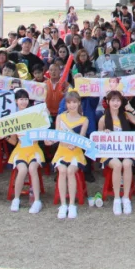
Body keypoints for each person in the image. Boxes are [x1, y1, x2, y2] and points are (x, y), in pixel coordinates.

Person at [98, 89, 135, 215]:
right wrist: (103, 133)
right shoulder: (103, 119)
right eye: (113, 100)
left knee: (127, 164)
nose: (115, 103)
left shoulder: (125, 115)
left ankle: (126, 198)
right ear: (108, 102)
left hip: (126, 150)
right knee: (118, 165)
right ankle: (116, 199)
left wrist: (132, 109)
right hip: (109, 152)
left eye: (118, 100)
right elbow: (97, 140)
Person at [6, 90, 47, 214]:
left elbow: (41, 135)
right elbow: (13, 141)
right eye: (21, 99)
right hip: (20, 149)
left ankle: (37, 200)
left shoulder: (35, 115)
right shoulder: (13, 118)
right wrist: (4, 136)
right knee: (22, 169)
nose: (23, 102)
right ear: (16, 101)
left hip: (34, 148)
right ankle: (16, 198)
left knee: (32, 168)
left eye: (25, 99)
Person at [53, 90, 89, 219]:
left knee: (70, 171)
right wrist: (52, 141)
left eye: (74, 102)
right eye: (69, 102)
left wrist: (75, 144)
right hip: (61, 152)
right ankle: (63, 204)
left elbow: (82, 138)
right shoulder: (60, 117)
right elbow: (57, 135)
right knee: (62, 171)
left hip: (76, 153)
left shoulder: (84, 120)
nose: (72, 105)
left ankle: (72, 204)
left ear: (79, 103)